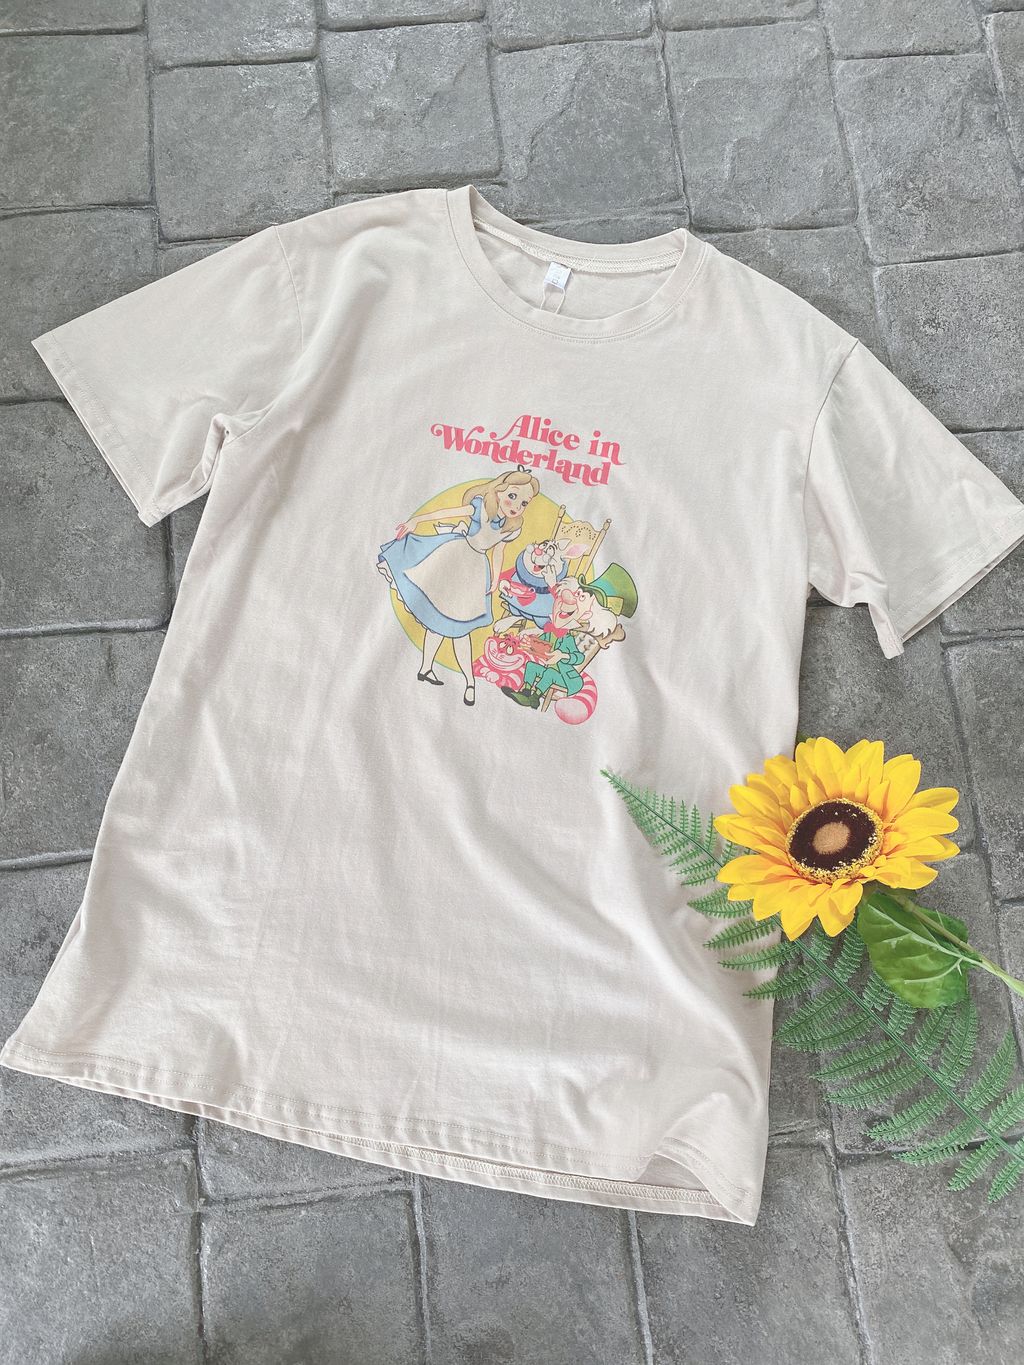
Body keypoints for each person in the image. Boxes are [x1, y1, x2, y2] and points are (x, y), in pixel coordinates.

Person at [377, 468, 540, 705]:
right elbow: (447, 513)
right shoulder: (480, 507)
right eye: (512, 496)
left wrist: (495, 579)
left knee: (458, 626)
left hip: (475, 571)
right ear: (499, 490)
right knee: (441, 621)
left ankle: (455, 678)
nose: (517, 505)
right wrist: (416, 521)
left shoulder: (512, 527)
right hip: (455, 556)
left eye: (524, 502)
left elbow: (499, 552)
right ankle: (441, 673)